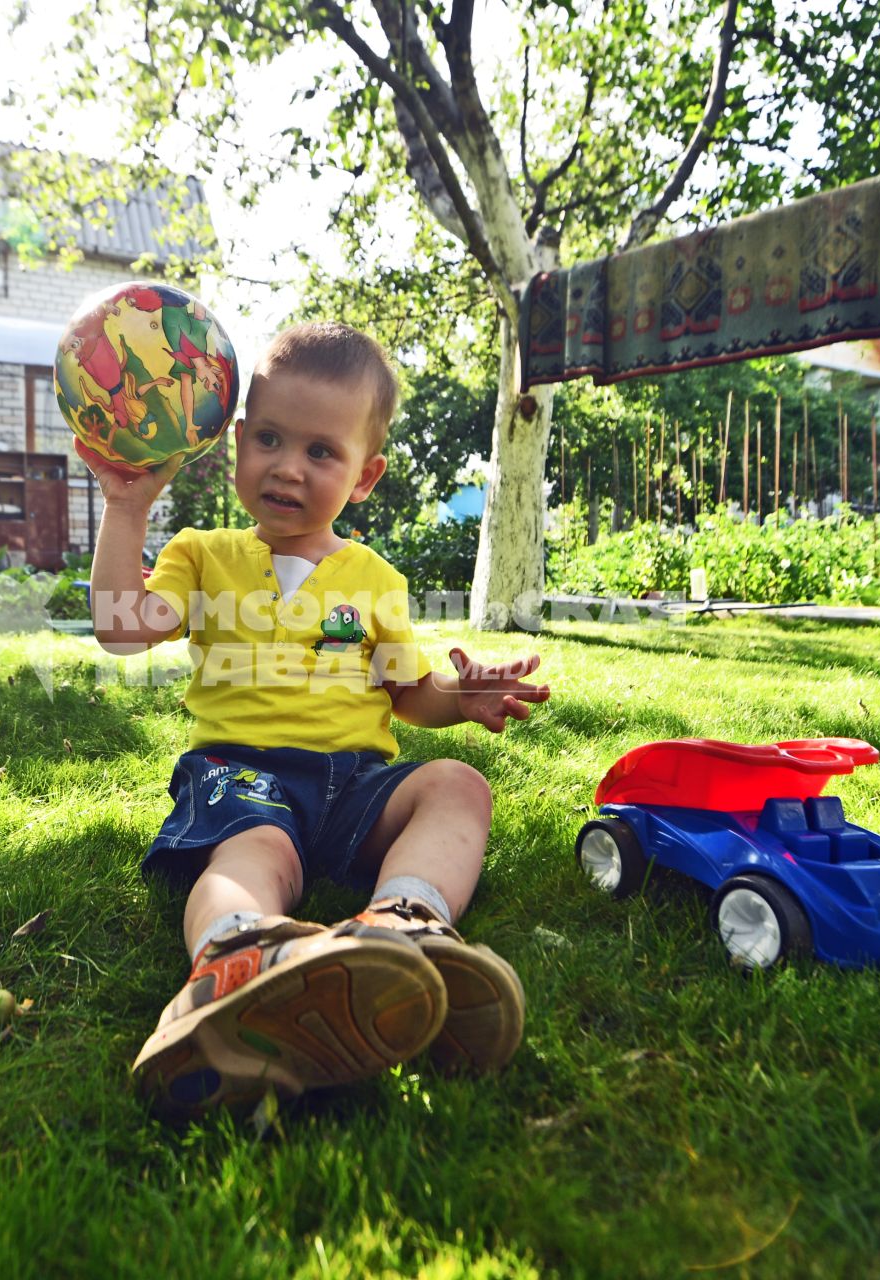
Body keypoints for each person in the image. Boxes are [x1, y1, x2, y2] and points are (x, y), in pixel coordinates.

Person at [77, 320, 550, 1120]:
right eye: (267, 438)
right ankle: (235, 952)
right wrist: (127, 510)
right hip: (244, 772)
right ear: (234, 447)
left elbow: (407, 694)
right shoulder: (203, 554)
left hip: (355, 785)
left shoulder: (373, 576)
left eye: (320, 452)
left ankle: (402, 925)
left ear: (365, 476)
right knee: (257, 846)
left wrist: (458, 700)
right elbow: (124, 626)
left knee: (458, 785)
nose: (287, 467)